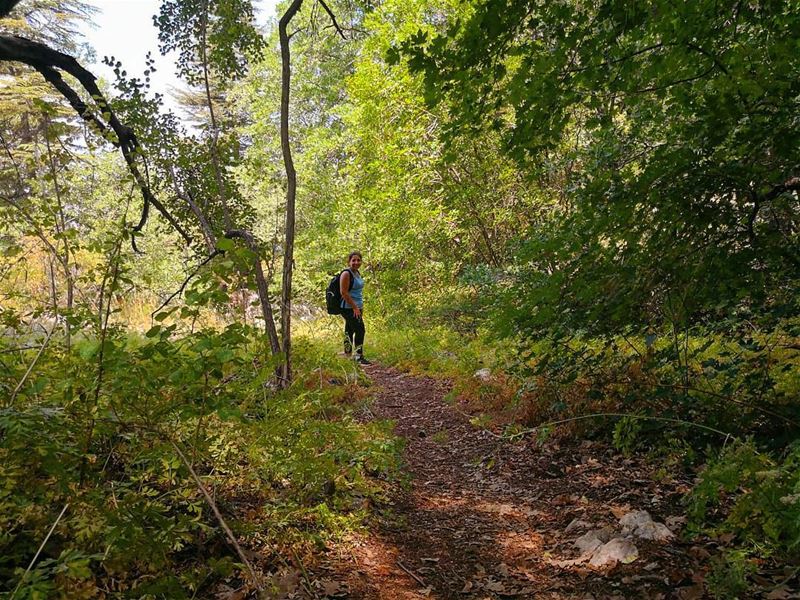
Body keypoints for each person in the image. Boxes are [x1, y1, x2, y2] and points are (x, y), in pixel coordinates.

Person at [339, 251, 371, 365]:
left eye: (358, 260)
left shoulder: (357, 272)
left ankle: (348, 355)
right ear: (349, 262)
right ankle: (358, 356)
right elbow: (343, 292)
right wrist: (355, 308)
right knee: (360, 330)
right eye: (353, 260)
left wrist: (359, 306)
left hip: (356, 306)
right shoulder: (346, 274)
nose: (356, 262)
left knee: (349, 330)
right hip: (348, 307)